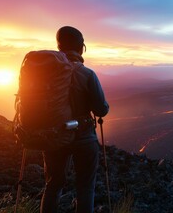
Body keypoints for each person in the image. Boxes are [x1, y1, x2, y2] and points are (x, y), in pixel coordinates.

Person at [40, 26, 109, 213]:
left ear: (59, 46)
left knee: (53, 186)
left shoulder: (45, 75)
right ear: (81, 47)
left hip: (54, 137)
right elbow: (101, 110)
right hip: (84, 138)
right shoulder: (87, 74)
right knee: (85, 187)